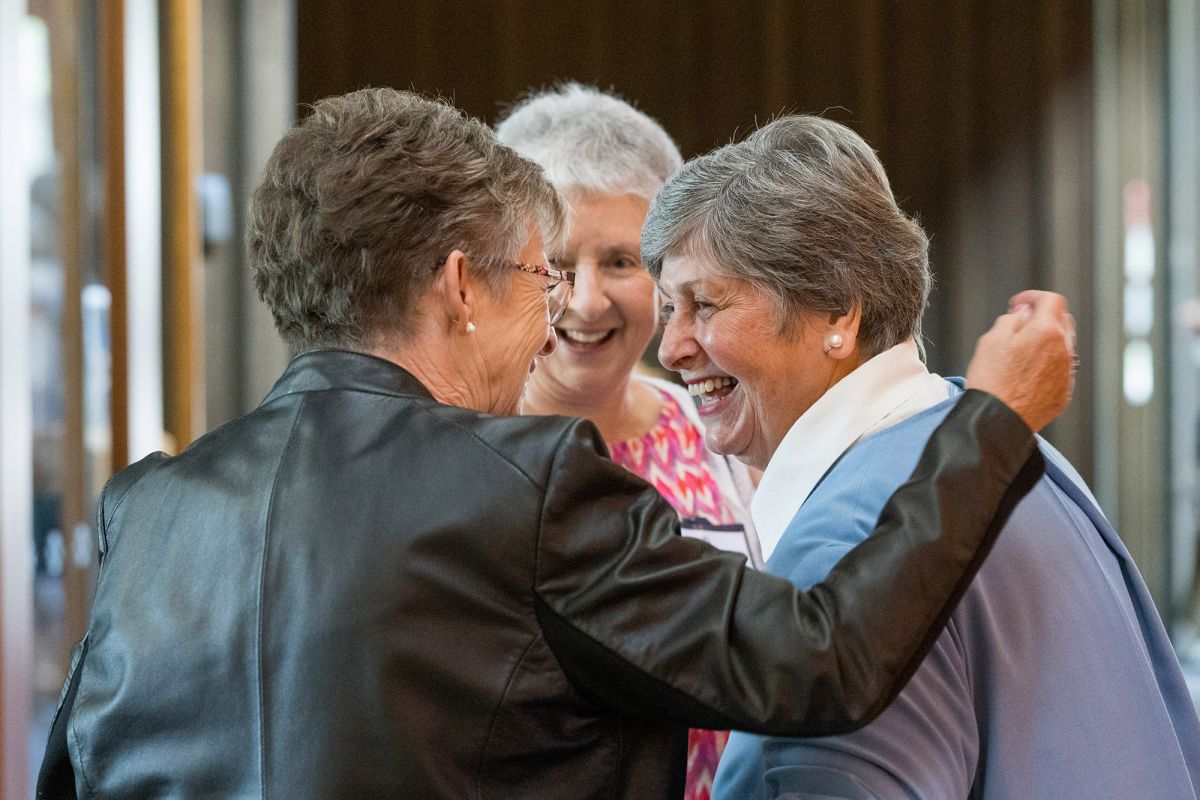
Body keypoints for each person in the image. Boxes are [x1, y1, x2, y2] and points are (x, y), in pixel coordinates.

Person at [38, 89, 1073, 800]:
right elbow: (821, 657)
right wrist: (992, 420)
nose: (557, 316)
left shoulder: (147, 509)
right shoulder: (525, 490)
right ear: (457, 285)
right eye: (537, 278)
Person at [637, 114, 1200, 800]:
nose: (670, 350)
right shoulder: (1030, 462)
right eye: (669, 308)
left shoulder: (847, 552)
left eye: (705, 304)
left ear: (839, 313)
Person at [496, 84, 756, 800]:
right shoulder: (456, 450)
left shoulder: (726, 437)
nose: (584, 301)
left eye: (619, 261)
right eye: (553, 262)